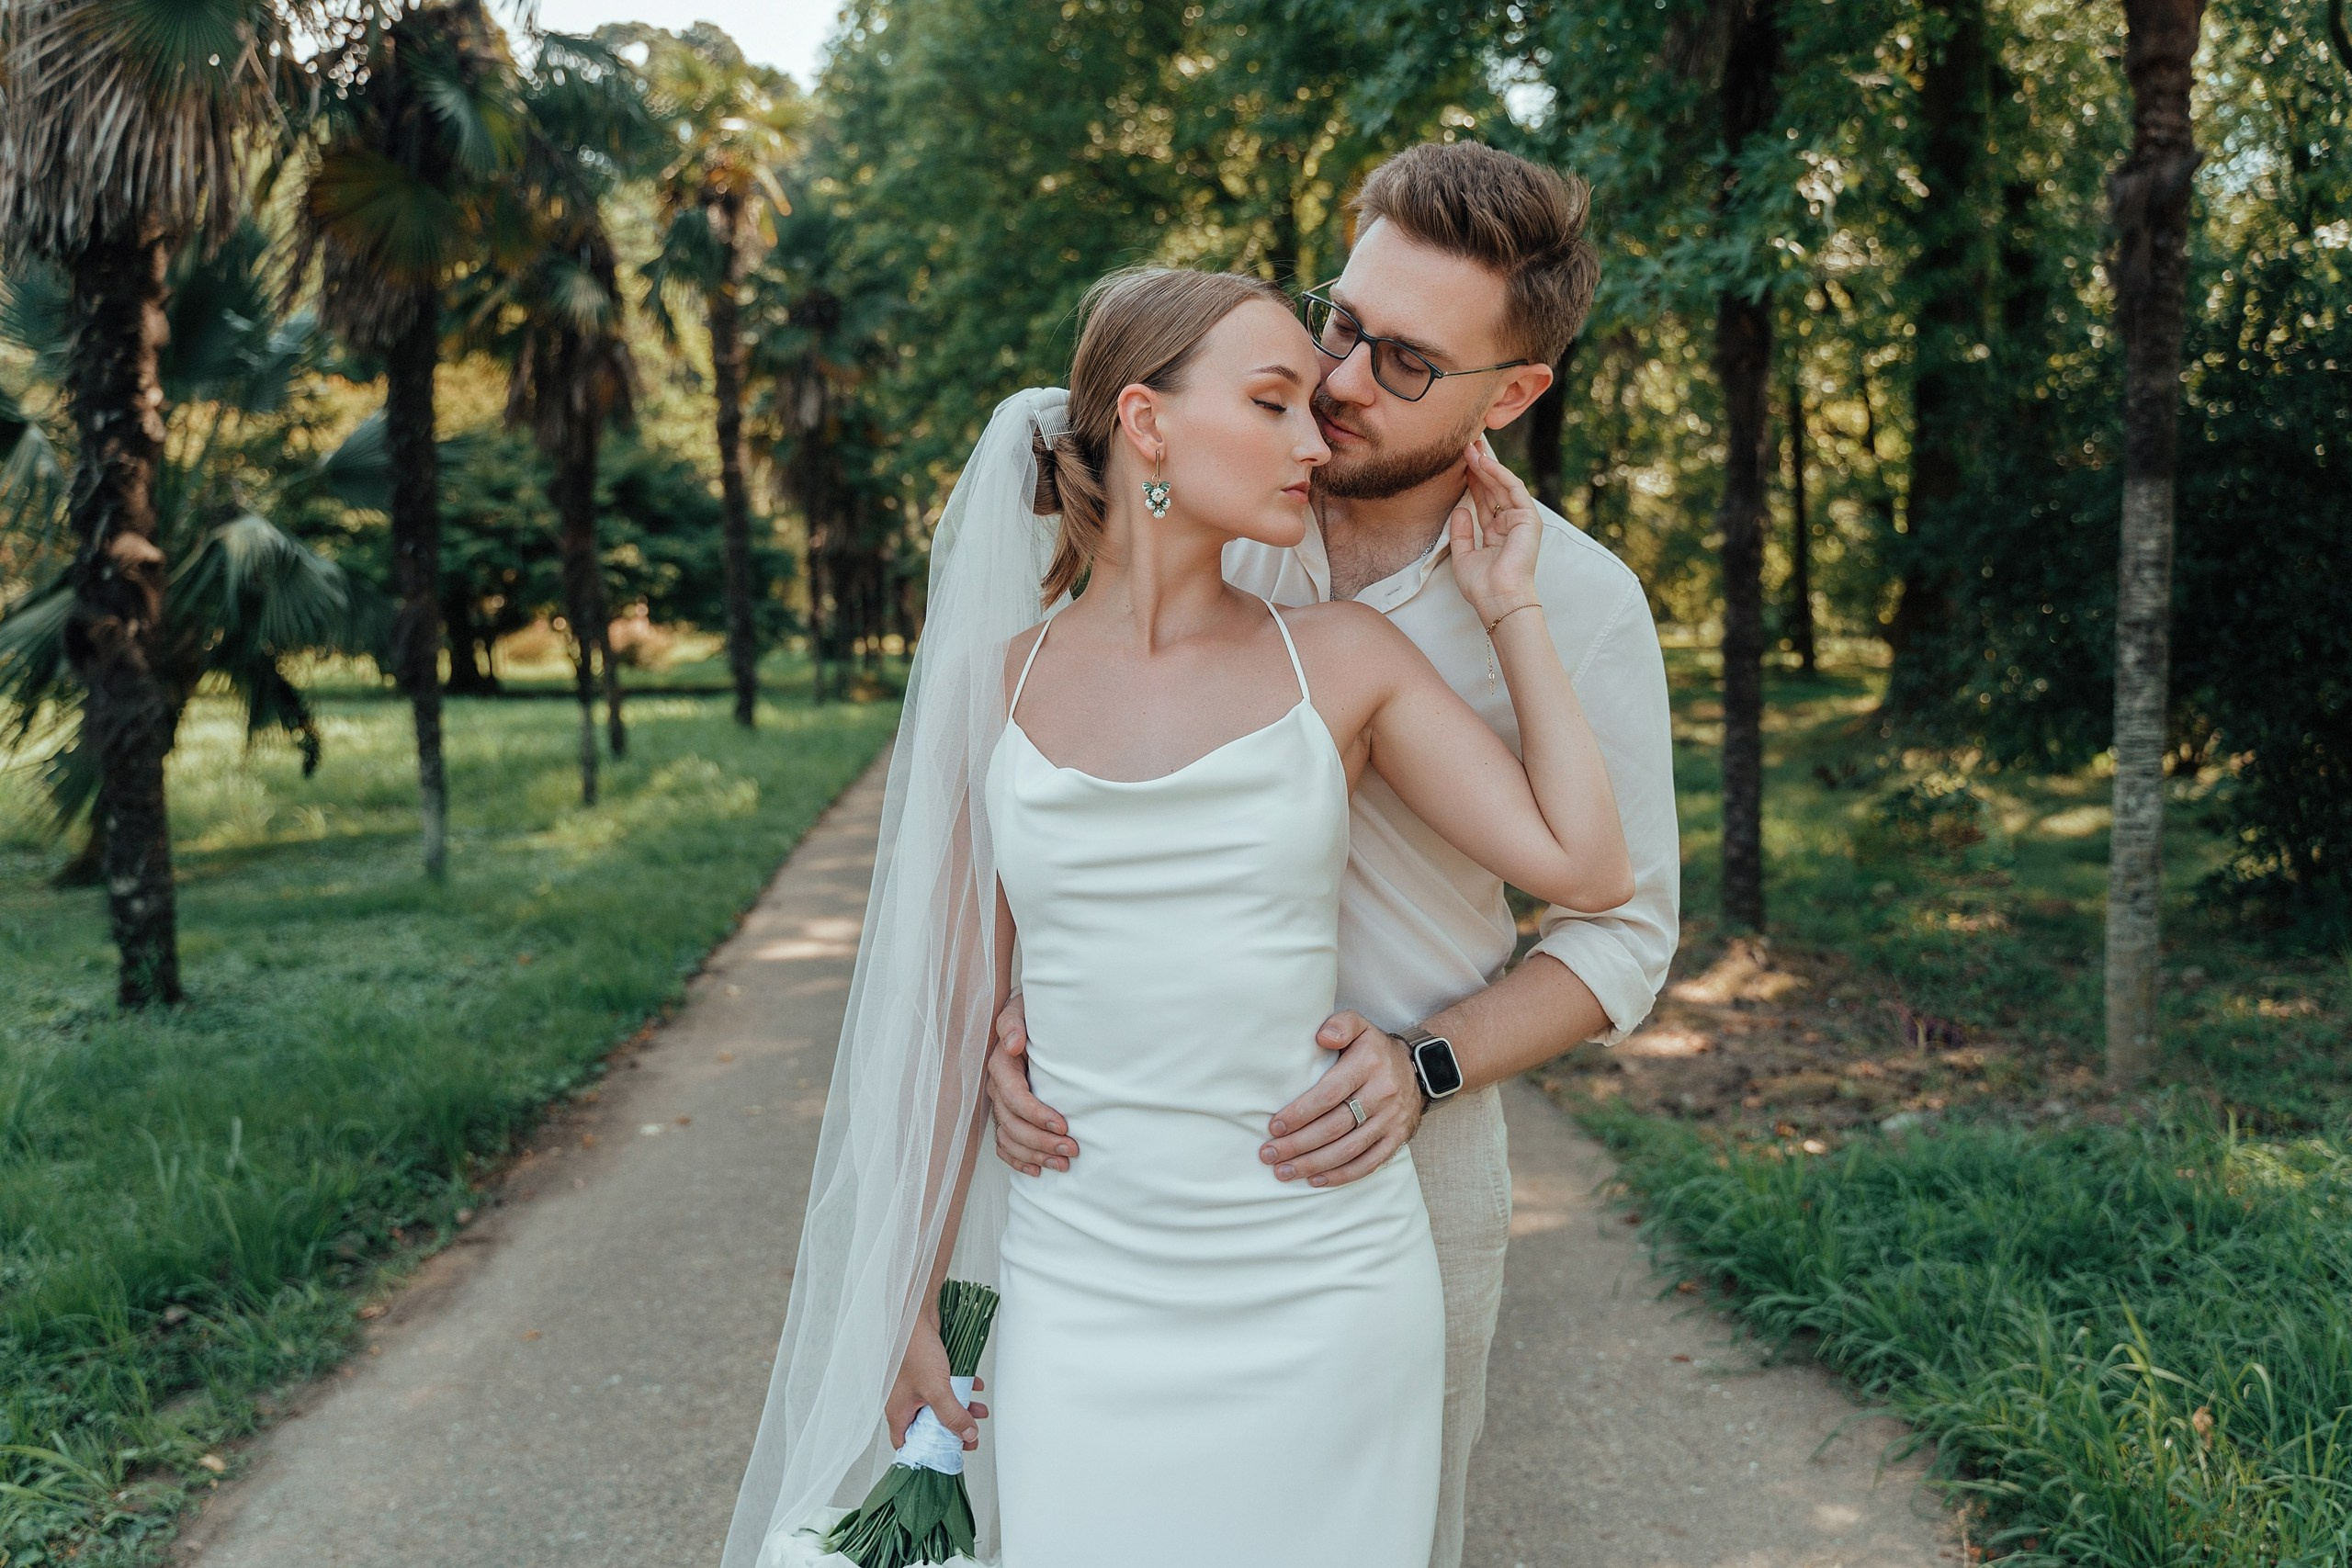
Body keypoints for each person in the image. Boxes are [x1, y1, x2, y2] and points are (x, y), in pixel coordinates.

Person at [720, 263, 1633, 1567]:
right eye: (1274, 404)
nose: (1315, 439)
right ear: (1146, 425)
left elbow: (1588, 871)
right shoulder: (992, 690)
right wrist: (905, 1294)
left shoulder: (1346, 662)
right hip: (1080, 1289)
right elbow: (947, 1018)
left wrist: (1514, 607)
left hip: (1326, 1289)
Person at [984, 142, 1681, 1568]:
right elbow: (1033, 785)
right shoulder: (1205, 509)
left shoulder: (1583, 602)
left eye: (1408, 362)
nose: (1345, 380)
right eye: (1341, 320)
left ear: (1518, 393)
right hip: (1120, 1165)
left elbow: (1622, 927)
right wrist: (1009, 1000)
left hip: (1385, 1161)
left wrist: (1424, 1064)